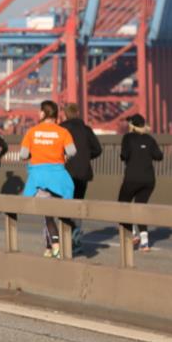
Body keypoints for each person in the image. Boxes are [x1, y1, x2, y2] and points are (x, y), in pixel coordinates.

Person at [19, 101, 76, 258]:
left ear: (43, 114)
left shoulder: (32, 132)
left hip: (39, 177)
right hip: (60, 178)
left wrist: (36, 154)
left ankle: (56, 247)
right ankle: (54, 246)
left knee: (48, 215)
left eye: (40, 112)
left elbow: (23, 155)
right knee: (63, 212)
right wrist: (61, 156)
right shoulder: (63, 132)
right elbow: (72, 151)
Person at [60, 103, 103, 251]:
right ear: (78, 113)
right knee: (78, 205)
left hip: (65, 171)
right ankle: (76, 239)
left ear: (65, 114)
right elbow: (98, 149)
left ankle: (64, 237)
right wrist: (85, 157)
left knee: (65, 204)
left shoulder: (61, 129)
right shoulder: (86, 130)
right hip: (83, 171)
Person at [118, 114, 163, 252]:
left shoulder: (127, 138)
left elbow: (124, 155)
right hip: (148, 180)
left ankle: (132, 233)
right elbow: (159, 156)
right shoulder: (150, 139)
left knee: (122, 205)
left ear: (131, 125)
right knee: (141, 207)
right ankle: (144, 242)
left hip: (132, 178)